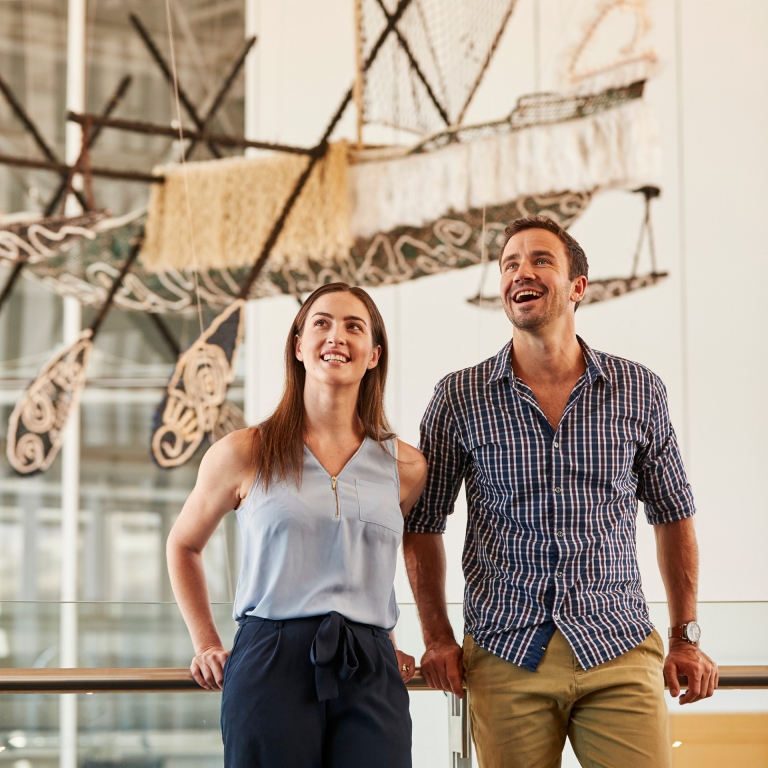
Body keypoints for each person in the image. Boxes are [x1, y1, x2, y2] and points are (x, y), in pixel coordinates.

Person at [403, 215, 718, 768]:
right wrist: (437, 636)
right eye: (509, 264)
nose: (521, 271)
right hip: (504, 655)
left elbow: (674, 516)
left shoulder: (639, 390)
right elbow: (423, 523)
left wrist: (685, 636)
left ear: (578, 287)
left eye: (540, 260)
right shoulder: (459, 397)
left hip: (618, 648)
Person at [167, 282, 426, 768]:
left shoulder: (405, 466)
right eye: (322, 323)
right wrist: (205, 642)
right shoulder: (244, 451)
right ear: (299, 344)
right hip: (270, 660)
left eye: (354, 327)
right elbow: (183, 545)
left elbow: (371, 557)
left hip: (369, 663)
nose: (337, 336)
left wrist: (386, 641)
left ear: (373, 354)